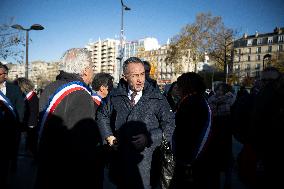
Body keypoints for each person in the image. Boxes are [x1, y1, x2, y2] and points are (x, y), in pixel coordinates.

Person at [96, 57, 175, 189]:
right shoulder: (114, 96)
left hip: (147, 166)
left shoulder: (157, 97)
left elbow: (170, 124)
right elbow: (102, 115)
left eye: (142, 74)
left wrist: (150, 137)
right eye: (135, 75)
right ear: (125, 77)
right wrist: (109, 136)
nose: (140, 79)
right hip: (120, 163)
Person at [35, 48, 101, 189]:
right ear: (85, 70)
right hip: (68, 172)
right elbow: (83, 142)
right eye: (92, 67)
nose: (93, 71)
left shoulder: (50, 87)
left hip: (48, 163)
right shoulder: (80, 94)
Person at [172, 72, 215, 189]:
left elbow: (186, 133)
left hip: (189, 159)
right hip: (194, 159)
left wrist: (185, 161)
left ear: (186, 87)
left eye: (179, 85)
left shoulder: (190, 103)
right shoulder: (197, 100)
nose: (177, 89)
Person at [0, 63, 25, 188]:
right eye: (2, 73)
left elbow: (20, 107)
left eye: (5, 73)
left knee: (5, 158)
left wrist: (18, 124)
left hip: (9, 129)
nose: (4, 76)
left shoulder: (14, 89)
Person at [14, 77, 39, 157]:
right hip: (28, 128)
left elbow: (33, 114)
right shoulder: (28, 97)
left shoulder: (32, 98)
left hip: (30, 128)